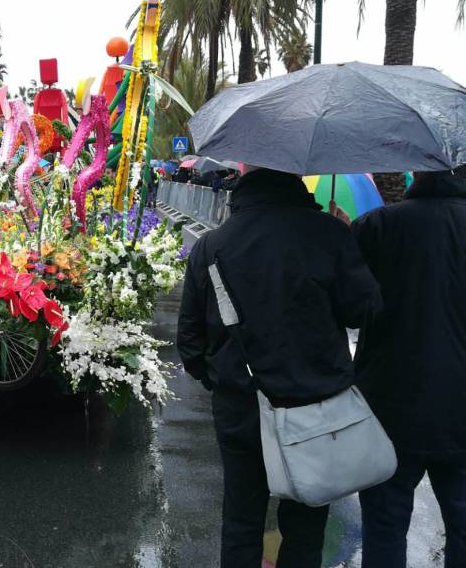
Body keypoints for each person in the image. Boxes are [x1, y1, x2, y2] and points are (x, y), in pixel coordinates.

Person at [177, 167, 381, 568]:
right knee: (306, 526)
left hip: (241, 405)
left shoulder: (212, 245)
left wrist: (221, 381)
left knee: (241, 520)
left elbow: (190, 342)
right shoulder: (328, 234)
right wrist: (343, 239)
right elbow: (364, 311)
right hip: (316, 405)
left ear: (245, 181)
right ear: (295, 178)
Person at [351, 167, 466, 568]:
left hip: (390, 406)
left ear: (415, 169)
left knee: (384, 525)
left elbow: (350, 307)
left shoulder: (378, 226)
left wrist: (342, 239)